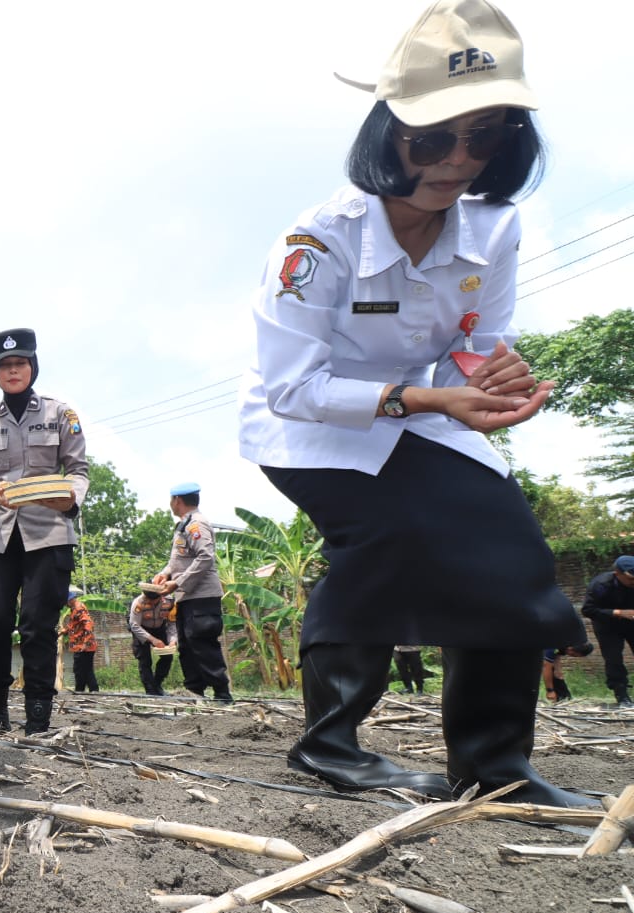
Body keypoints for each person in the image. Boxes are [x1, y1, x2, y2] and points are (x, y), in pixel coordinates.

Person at [239, 0, 592, 806]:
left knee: (510, 543)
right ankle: (329, 746)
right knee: (389, 533)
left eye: (487, 134)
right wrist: (438, 395)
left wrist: (494, 378)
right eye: (432, 139)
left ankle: (497, 766)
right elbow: (296, 387)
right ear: (384, 133)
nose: (459, 161)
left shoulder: (494, 227)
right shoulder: (316, 243)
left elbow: (477, 336)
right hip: (306, 427)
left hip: (425, 411)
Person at [0, 328, 89, 734]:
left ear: (32, 368)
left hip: (49, 532)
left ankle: (38, 717)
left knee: (38, 623)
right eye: (4, 366)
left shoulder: (60, 413)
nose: (13, 371)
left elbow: (78, 471)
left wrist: (72, 499)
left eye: (19, 364)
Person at [152, 483, 231, 703]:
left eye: (171, 500)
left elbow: (205, 557)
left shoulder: (197, 524)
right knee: (187, 645)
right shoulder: (183, 525)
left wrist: (176, 583)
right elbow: (178, 560)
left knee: (203, 643)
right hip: (187, 597)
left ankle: (222, 694)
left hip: (202, 597)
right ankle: (194, 691)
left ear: (177, 500)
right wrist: (164, 574)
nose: (170, 504)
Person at [581, 556, 634, 709]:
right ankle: (622, 696)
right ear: (617, 573)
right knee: (614, 660)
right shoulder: (601, 585)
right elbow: (588, 610)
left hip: (631, 623)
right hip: (607, 626)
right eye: (631, 579)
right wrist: (617, 612)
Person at [126, 582, 178, 697]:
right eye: (148, 599)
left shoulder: (169, 602)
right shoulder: (138, 603)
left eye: (154, 600)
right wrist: (153, 640)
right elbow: (134, 625)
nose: (151, 602)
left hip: (160, 628)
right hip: (141, 630)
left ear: (161, 596)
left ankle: (157, 684)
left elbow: (172, 623)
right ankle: (150, 691)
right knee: (144, 660)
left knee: (167, 657)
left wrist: (173, 639)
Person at [63, 589, 100, 694]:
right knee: (83, 670)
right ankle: (82, 691)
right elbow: (74, 625)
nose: (65, 605)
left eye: (66, 602)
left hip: (84, 646)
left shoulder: (79, 608)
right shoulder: (74, 609)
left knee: (81, 669)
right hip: (80, 645)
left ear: (70, 600)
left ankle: (88, 690)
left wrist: (85, 643)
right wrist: (64, 631)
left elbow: (88, 625)